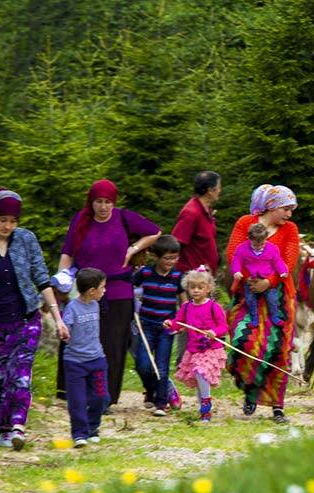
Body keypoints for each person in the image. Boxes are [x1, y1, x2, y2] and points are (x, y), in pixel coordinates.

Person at [0, 189, 69, 450]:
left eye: (13, 221)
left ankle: (18, 426)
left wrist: (58, 318)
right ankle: (2, 429)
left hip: (26, 320)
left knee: (20, 376)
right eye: (3, 220)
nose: (8, 226)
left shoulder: (26, 239)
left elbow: (42, 278)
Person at [57, 179, 161, 408]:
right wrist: (61, 280)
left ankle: (104, 397)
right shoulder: (81, 220)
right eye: (98, 202)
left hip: (117, 291)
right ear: (91, 202)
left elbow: (155, 232)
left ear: (114, 202)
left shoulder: (124, 217)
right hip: (85, 291)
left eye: (107, 202)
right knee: (78, 340)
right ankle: (74, 391)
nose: (103, 207)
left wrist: (133, 249)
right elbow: (68, 253)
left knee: (112, 345)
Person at [225, 184, 300, 423]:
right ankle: (251, 389)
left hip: (278, 295)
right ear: (272, 206)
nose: (289, 214)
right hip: (248, 293)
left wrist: (268, 282)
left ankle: (277, 406)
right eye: (286, 209)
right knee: (244, 341)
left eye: (291, 210)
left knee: (279, 349)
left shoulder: (290, 229)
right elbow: (233, 254)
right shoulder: (245, 223)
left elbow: (289, 261)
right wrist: (251, 280)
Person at [167, 268, 228, 423]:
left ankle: (206, 407)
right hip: (194, 350)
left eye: (200, 287)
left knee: (201, 373)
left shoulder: (214, 307)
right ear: (187, 288)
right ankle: (203, 409)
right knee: (198, 379)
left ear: (208, 289)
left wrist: (214, 332)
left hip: (210, 349)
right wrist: (170, 324)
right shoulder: (186, 307)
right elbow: (178, 323)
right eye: (192, 287)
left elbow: (223, 327)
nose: (196, 290)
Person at [132, 235, 183, 416]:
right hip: (146, 325)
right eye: (167, 258)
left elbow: (184, 302)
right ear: (156, 257)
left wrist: (181, 321)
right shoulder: (145, 273)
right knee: (143, 364)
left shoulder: (177, 276)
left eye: (175, 258)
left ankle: (161, 403)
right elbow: (130, 287)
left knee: (161, 366)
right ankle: (151, 389)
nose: (171, 262)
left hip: (166, 328)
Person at [62, 268, 109, 448]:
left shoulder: (96, 304)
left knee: (101, 397)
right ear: (91, 291)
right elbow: (65, 328)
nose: (104, 290)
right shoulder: (72, 308)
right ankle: (79, 434)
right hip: (75, 362)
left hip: (97, 359)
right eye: (102, 287)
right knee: (77, 401)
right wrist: (64, 332)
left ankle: (93, 428)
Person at [231, 222, 289, 326]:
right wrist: (237, 271)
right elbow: (236, 260)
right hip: (251, 279)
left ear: (266, 238)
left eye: (262, 244)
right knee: (250, 299)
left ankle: (275, 317)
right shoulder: (241, 249)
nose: (259, 247)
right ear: (249, 239)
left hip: (267, 277)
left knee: (272, 299)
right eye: (255, 245)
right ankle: (254, 319)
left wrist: (283, 271)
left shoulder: (272, 248)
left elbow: (277, 261)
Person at [172, 171, 222, 274]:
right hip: (192, 277)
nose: (220, 190)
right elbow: (175, 243)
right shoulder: (191, 212)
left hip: (205, 276)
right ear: (210, 190)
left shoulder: (206, 210)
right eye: (218, 187)